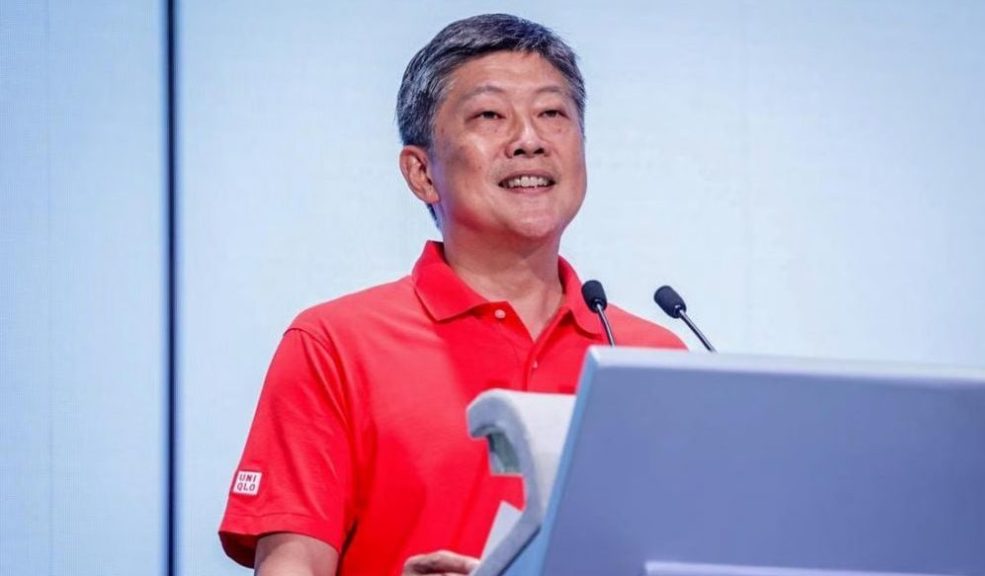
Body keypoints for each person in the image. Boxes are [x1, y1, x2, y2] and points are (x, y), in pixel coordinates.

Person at [219, 13, 685, 576]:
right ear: (421, 173)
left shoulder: (650, 357)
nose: (530, 141)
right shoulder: (335, 345)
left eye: (552, 114)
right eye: (490, 115)